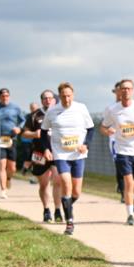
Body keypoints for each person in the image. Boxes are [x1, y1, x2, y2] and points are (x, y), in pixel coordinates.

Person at [41, 82, 94, 236]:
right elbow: (44, 132)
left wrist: (86, 145)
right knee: (65, 182)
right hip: (61, 154)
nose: (66, 99)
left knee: (76, 192)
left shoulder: (81, 108)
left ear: (73, 95)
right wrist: (46, 149)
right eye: (63, 96)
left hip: (78, 154)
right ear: (59, 96)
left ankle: (67, 206)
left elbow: (90, 129)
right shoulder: (52, 111)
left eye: (69, 95)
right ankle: (69, 222)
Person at [101, 78, 134, 226]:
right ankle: (130, 214)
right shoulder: (112, 109)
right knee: (128, 183)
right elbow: (103, 127)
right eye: (123, 88)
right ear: (119, 91)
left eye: (128, 88)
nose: (125, 91)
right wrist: (108, 131)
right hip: (122, 150)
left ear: (133, 91)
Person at [22, 90, 65, 223]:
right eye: (45, 98)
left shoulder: (60, 112)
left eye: (50, 98)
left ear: (54, 100)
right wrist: (34, 134)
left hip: (56, 152)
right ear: (42, 101)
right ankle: (46, 209)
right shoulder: (34, 115)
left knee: (58, 181)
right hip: (39, 153)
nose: (48, 100)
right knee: (44, 183)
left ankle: (58, 209)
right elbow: (24, 133)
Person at [0, 88, 24, 198]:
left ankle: (8, 178)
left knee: (12, 167)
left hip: (11, 138)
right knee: (1, 165)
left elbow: (23, 120)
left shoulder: (15, 108)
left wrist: (19, 128)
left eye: (7, 95)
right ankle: (3, 190)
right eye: (3, 96)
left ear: (9, 96)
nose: (5, 97)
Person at [18, 101, 38, 178]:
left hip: (37, 141)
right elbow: (21, 127)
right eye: (32, 108)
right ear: (30, 109)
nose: (34, 110)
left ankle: (34, 173)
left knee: (36, 157)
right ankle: (24, 170)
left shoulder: (41, 116)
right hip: (26, 141)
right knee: (27, 157)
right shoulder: (27, 117)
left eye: (35, 108)